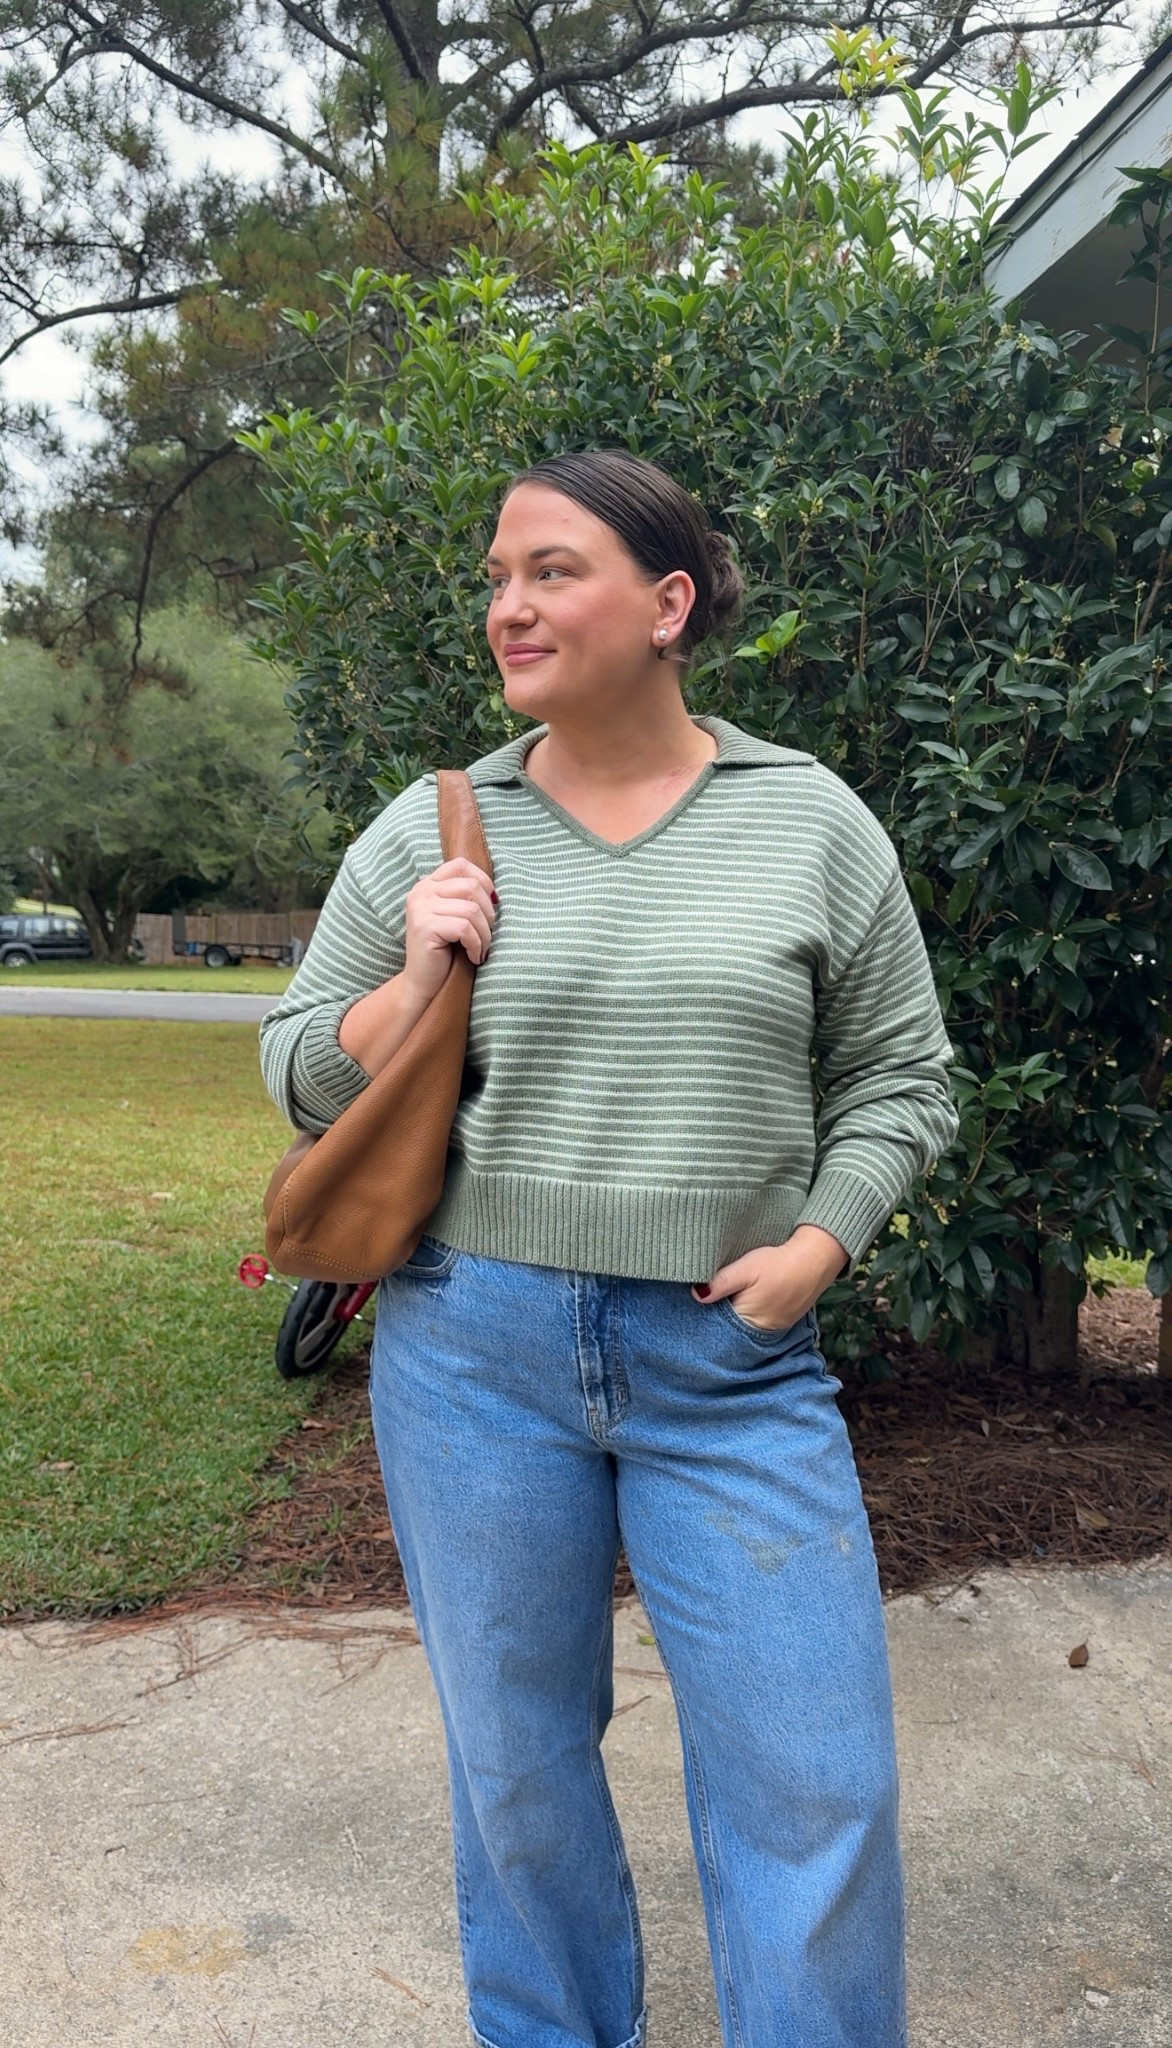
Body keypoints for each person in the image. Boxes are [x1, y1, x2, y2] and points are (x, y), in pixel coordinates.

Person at [259, 449, 960, 2048]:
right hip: (471, 1352)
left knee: (816, 1780)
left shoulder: (808, 822)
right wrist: (409, 984)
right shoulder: (440, 828)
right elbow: (296, 1065)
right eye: (497, 579)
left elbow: (901, 1076)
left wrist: (823, 1243)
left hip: (733, 1365)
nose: (509, 607)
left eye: (551, 572)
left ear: (667, 605)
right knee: (515, 1768)